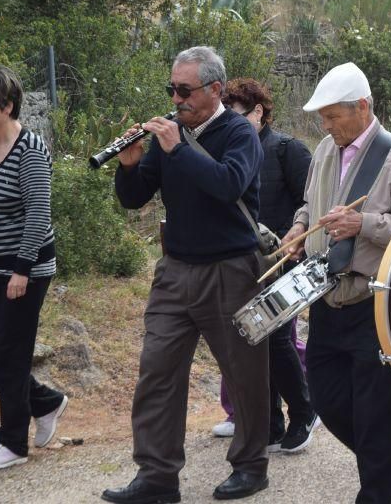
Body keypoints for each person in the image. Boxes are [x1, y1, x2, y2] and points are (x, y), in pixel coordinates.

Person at [102, 46, 270, 503]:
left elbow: (227, 185)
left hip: (230, 269)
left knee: (244, 372)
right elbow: (134, 199)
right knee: (157, 372)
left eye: (185, 90)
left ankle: (251, 465)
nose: (176, 99)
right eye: (171, 89)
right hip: (175, 271)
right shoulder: (167, 136)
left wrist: (179, 149)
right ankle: (156, 476)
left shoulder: (240, 133)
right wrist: (131, 164)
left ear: (215, 90)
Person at [281, 61, 391, 503]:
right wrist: (298, 228)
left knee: (375, 416)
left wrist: (363, 224)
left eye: (333, 116)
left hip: (376, 303)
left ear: (363, 107)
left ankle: (379, 491)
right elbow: (311, 206)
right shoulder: (326, 150)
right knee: (328, 405)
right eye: (322, 119)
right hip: (326, 297)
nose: (326, 126)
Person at [0, 67, 67, 470]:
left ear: (7, 106)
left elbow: (39, 214)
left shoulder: (31, 149)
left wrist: (22, 269)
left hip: (27, 269)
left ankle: (12, 443)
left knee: (10, 352)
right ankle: (46, 402)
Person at [212, 78, 319, 454]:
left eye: (238, 115)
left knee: (275, 339)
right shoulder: (227, 151)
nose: (232, 124)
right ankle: (271, 422)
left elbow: (312, 201)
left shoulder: (289, 149)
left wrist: (297, 237)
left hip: (286, 260)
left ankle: (305, 411)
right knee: (252, 340)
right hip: (242, 262)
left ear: (259, 112)